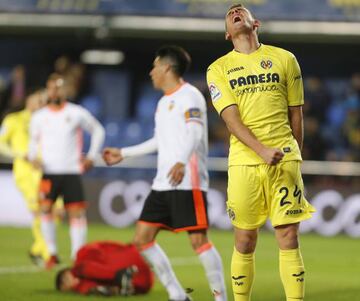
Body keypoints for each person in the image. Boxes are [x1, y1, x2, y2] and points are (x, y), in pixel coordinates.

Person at [206, 4, 316, 301]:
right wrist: (261, 150)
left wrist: (294, 154)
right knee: (244, 240)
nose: (235, 11)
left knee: (289, 236)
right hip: (244, 163)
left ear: (256, 23)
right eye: (229, 13)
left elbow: (297, 113)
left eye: (242, 10)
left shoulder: (285, 59)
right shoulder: (218, 69)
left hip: (283, 159)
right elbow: (231, 120)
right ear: (227, 34)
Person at [103, 45, 227, 301]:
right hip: (163, 182)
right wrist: (124, 153)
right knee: (142, 238)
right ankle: (177, 294)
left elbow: (194, 132)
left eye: (155, 66)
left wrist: (181, 162)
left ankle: (220, 298)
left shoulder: (190, 95)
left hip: (188, 180)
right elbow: (159, 140)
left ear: (167, 68)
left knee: (198, 241)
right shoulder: (163, 102)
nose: (151, 72)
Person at [28, 73, 105, 268]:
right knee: (45, 210)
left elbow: (98, 130)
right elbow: (32, 142)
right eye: (51, 87)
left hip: (71, 170)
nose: (55, 91)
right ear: (47, 90)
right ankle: (51, 253)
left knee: (76, 213)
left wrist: (91, 156)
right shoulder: (39, 117)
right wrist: (32, 158)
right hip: (48, 171)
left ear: (65, 90)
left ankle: (77, 255)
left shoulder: (76, 112)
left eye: (59, 87)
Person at [0, 89, 65, 266]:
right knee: (39, 210)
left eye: (43, 101)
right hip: (25, 173)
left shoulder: (46, 122)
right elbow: (1, 143)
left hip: (45, 171)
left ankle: (37, 249)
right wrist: (20, 154)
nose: (40, 103)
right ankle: (47, 254)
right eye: (38, 100)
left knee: (56, 211)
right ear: (29, 101)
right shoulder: (13, 120)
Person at [55, 241, 154, 296]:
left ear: (67, 271)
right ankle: (118, 282)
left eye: (65, 279)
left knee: (82, 271)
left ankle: (119, 277)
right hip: (142, 282)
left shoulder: (80, 261)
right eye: (69, 288)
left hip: (134, 267)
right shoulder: (83, 283)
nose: (69, 283)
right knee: (85, 285)